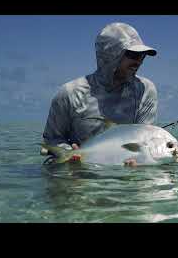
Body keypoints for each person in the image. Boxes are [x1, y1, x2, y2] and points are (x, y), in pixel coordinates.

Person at [41, 22, 158, 166]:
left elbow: (143, 139)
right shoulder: (69, 93)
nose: (139, 61)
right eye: (133, 54)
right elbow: (52, 139)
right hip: (79, 177)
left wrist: (140, 162)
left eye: (142, 55)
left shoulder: (145, 90)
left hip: (125, 175)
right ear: (111, 55)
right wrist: (70, 153)